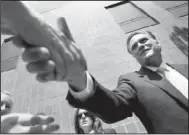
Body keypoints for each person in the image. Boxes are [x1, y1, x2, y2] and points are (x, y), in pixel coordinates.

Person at [1, 1, 188, 133]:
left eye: (144, 40)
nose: (140, 45)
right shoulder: (132, 81)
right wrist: (78, 77)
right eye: (134, 47)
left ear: (157, 43)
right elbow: (113, 108)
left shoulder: (184, 66)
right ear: (133, 56)